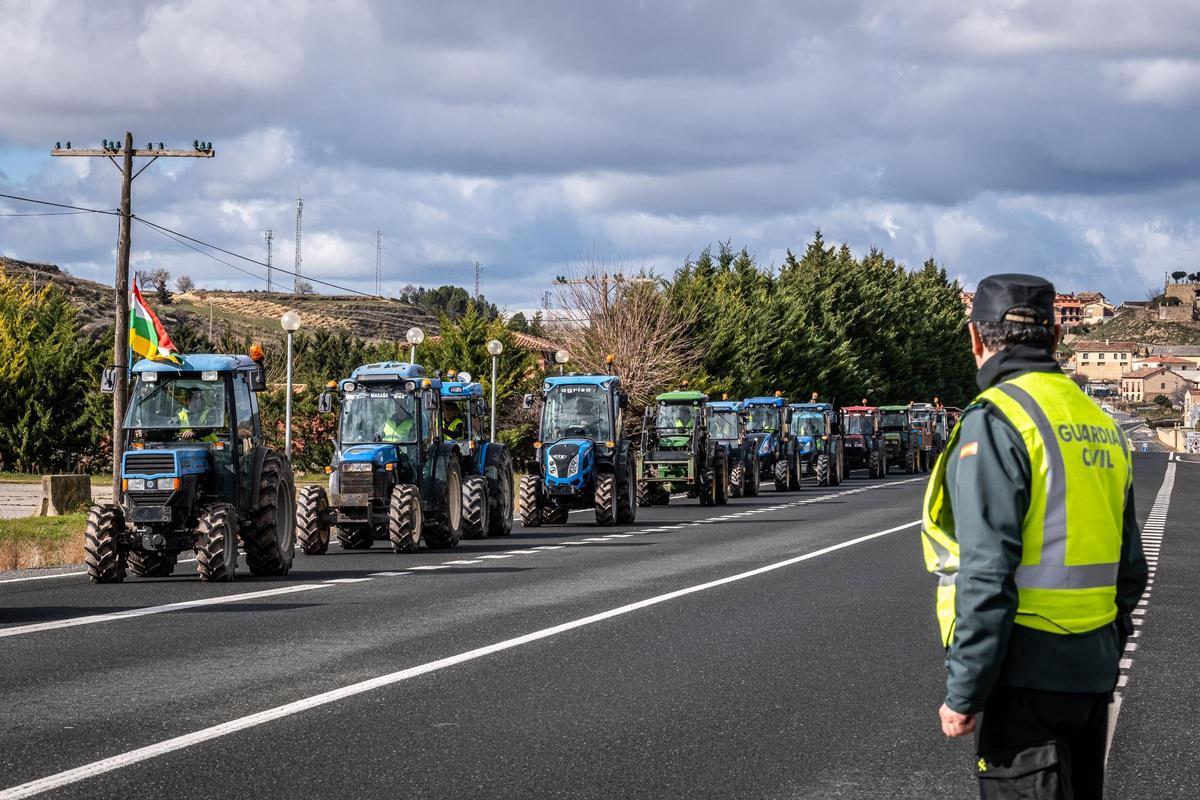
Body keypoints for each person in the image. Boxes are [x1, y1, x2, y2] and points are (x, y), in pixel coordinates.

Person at [921, 273, 1147, 799]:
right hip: (1089, 676)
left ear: (976, 338)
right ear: (1057, 337)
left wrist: (965, 690)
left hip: (1023, 678)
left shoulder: (998, 420)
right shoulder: (1099, 422)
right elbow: (1130, 569)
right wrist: (1102, 653)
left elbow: (987, 570)